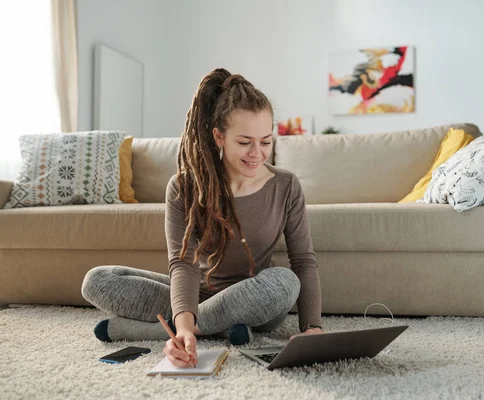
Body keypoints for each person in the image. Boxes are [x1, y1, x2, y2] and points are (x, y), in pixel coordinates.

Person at [81, 68, 323, 368]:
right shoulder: (184, 187)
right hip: (200, 290)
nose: (257, 153)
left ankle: (152, 330)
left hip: (256, 297)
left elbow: (303, 261)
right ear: (219, 137)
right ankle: (216, 327)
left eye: (266, 141)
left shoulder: (285, 185)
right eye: (245, 142)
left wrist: (313, 328)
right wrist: (184, 328)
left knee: (285, 282)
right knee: (99, 280)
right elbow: (183, 263)